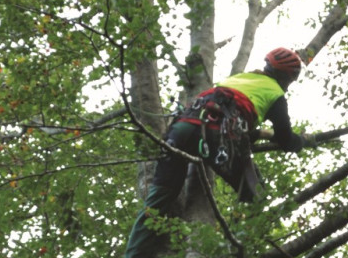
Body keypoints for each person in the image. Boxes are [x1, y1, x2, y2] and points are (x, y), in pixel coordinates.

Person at [124, 47, 307, 258]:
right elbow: (286, 140)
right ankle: (235, 248)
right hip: (216, 134)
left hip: (182, 127)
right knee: (255, 192)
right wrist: (300, 141)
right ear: (286, 77)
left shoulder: (241, 79)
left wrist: (261, 134)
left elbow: (240, 119)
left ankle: (132, 255)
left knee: (157, 202)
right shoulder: (276, 94)